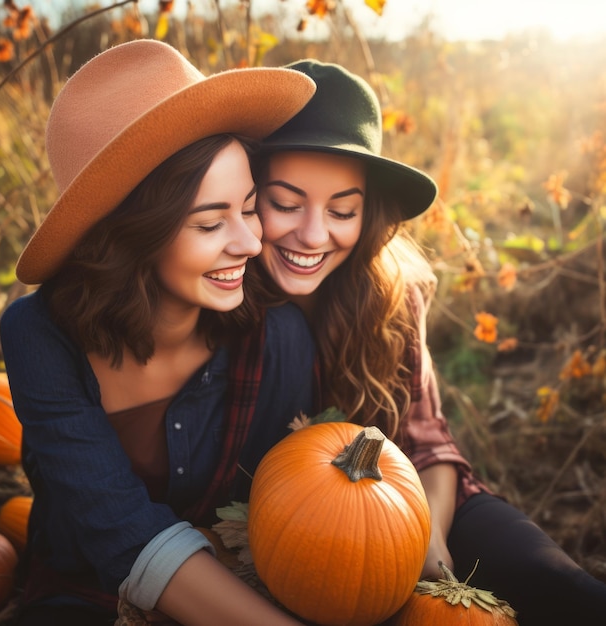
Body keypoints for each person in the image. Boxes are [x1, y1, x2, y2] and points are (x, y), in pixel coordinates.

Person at [248, 59, 606, 625]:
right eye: (286, 204)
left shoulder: (394, 293)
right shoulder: (224, 296)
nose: (313, 234)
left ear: (368, 215)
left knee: (561, 589)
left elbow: (431, 443)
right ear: (248, 197)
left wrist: (430, 547)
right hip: (293, 538)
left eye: (342, 210)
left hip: (416, 509)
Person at [0, 40, 319, 626]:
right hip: (83, 595)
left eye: (249, 208)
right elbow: (116, 527)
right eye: (208, 222)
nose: (249, 243)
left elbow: (280, 518)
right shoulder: (40, 333)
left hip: (242, 591)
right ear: (130, 236)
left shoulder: (277, 339)